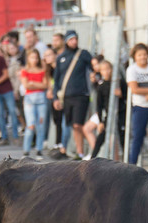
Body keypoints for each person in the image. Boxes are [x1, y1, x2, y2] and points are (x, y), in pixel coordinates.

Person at [53, 30, 94, 160]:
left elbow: (93, 66)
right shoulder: (61, 57)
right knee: (72, 126)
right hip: (66, 96)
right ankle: (80, 152)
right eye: (71, 39)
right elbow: (57, 79)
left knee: (78, 124)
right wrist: (55, 98)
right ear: (66, 41)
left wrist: (94, 73)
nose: (74, 42)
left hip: (81, 95)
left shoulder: (83, 54)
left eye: (75, 39)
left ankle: (90, 150)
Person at [125, 43, 148, 168]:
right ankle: (132, 166)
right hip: (139, 107)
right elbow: (134, 89)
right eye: (140, 55)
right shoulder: (132, 70)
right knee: (138, 137)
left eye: (145, 54)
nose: (143, 57)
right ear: (135, 56)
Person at [20, 48, 48, 158]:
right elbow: (26, 85)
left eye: (36, 57)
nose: (34, 60)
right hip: (29, 100)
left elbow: (45, 85)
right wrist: (38, 84)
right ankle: (26, 150)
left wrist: (33, 83)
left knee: (41, 125)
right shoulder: (25, 71)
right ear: (28, 58)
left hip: (41, 99)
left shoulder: (42, 70)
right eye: (32, 57)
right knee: (30, 125)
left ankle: (39, 149)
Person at [44, 46, 66, 158]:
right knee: (56, 120)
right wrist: (49, 90)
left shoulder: (60, 67)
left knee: (63, 120)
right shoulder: (49, 69)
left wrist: (52, 90)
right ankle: (58, 143)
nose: (46, 58)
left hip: (61, 96)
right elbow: (50, 83)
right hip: (54, 96)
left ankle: (62, 145)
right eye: (45, 56)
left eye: (49, 55)